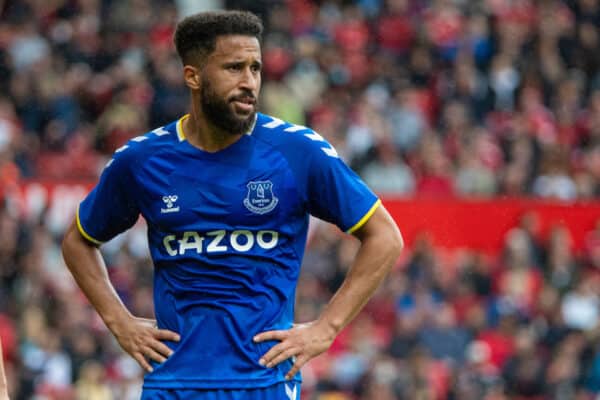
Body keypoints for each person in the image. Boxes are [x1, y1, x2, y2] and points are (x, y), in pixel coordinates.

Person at [61, 10, 403, 399]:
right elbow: (78, 241)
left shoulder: (297, 152)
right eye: (234, 68)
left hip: (264, 382)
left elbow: (385, 237)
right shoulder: (142, 161)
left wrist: (326, 328)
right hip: (173, 384)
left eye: (255, 68)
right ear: (193, 76)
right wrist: (119, 322)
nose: (249, 83)